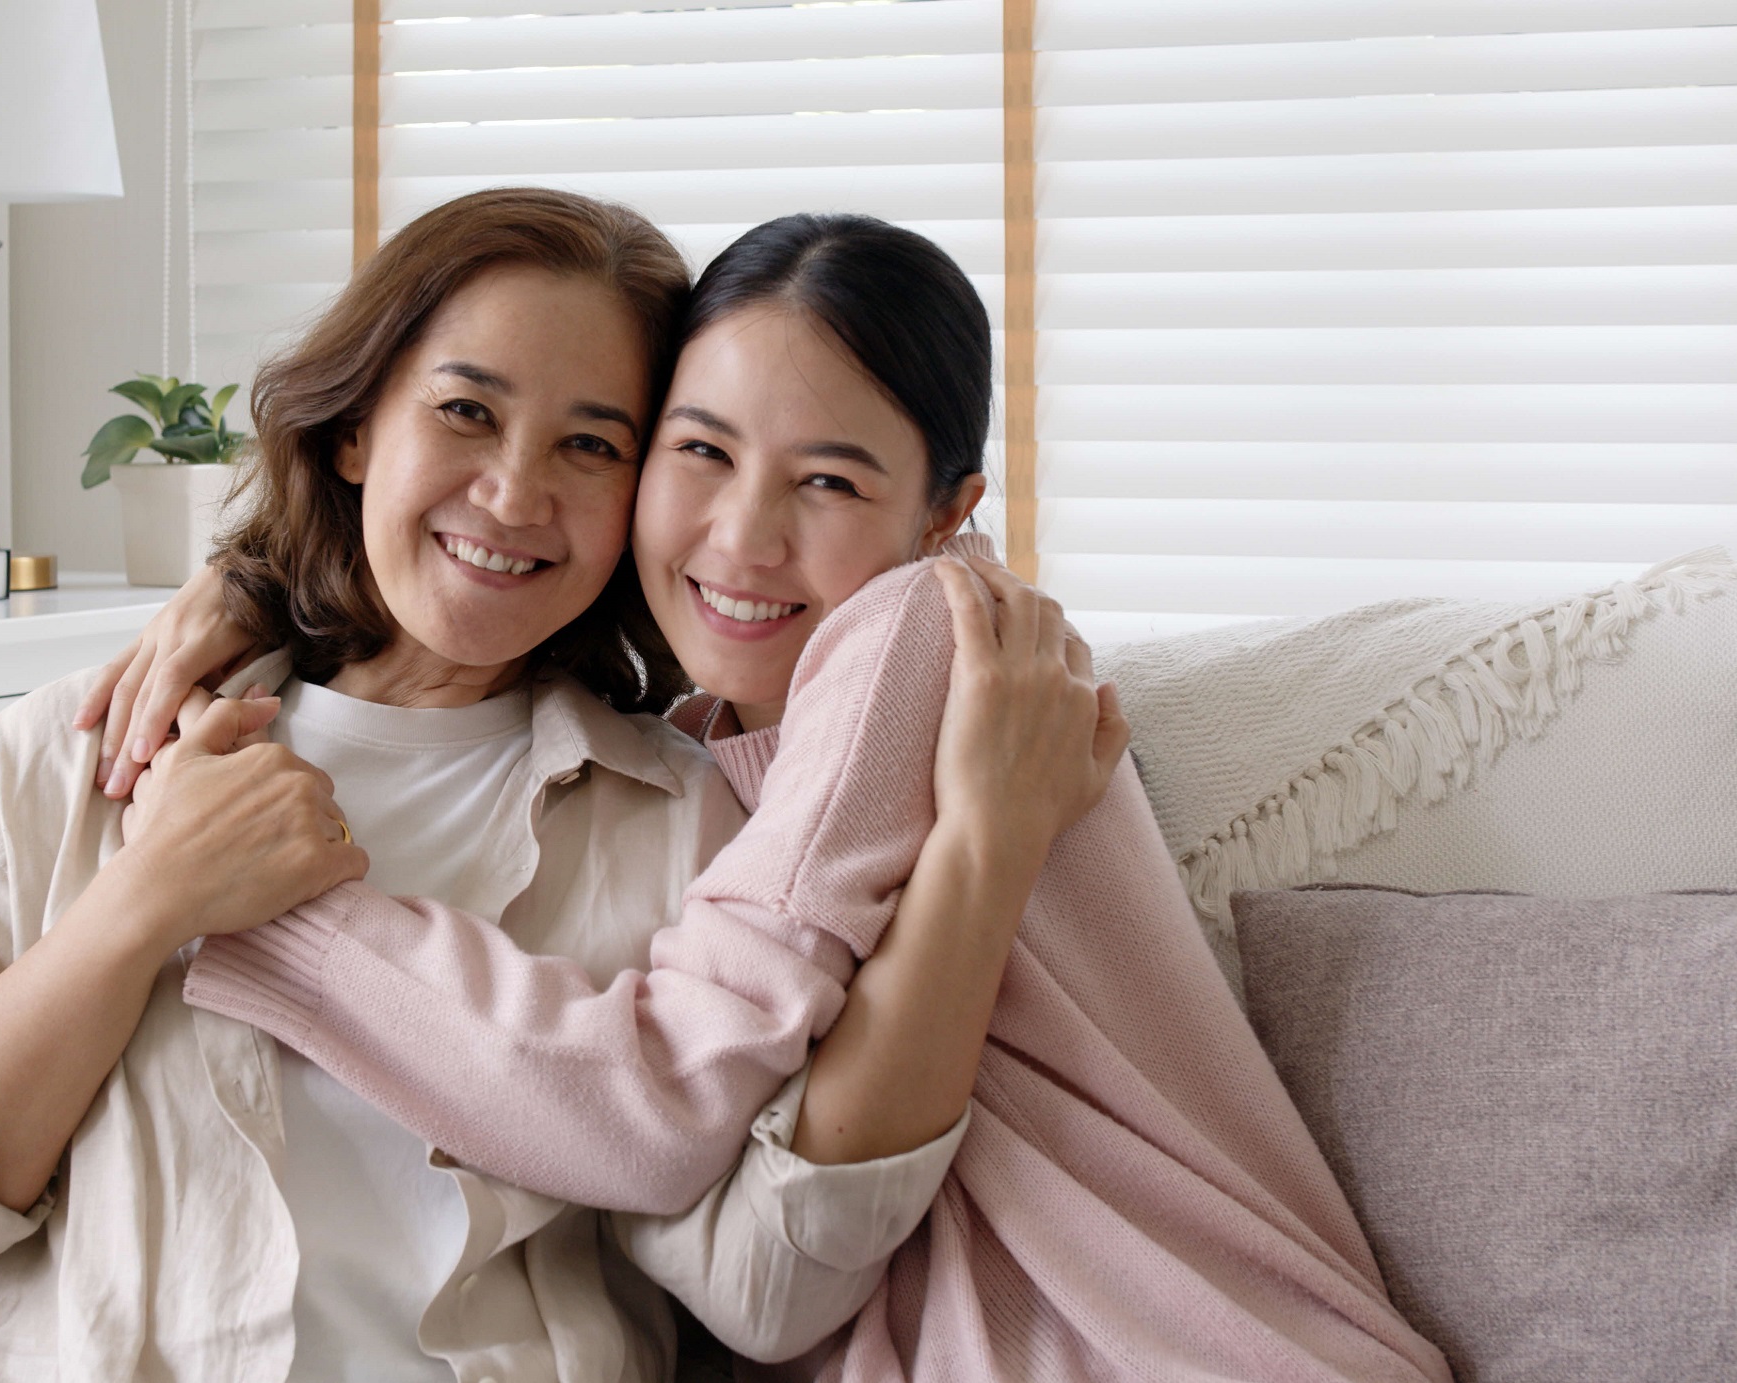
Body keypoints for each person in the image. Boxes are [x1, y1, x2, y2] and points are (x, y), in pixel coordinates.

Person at [84, 213, 1452, 1380]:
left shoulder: (920, 634)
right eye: (699, 450)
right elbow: (720, 1245)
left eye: (829, 479)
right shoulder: (692, 739)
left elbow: (653, 1100)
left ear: (944, 510)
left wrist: (250, 905)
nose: (740, 535)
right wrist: (251, 580)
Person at [0, 189, 973, 1383]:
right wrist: (139, 909)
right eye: (464, 411)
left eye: (591, 445)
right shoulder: (74, 761)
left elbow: (762, 1284)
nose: (511, 493)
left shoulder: (680, 820)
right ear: (356, 430)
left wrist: (981, 849)